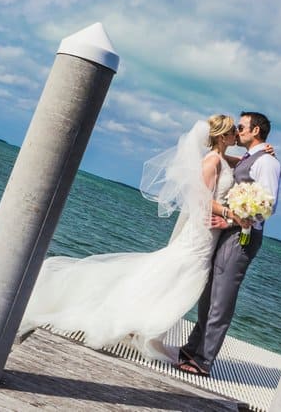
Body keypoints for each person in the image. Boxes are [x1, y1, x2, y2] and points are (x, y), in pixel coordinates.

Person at [18, 114, 246, 361]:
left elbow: (234, 161)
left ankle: (146, 327)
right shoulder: (211, 162)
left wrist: (254, 156)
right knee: (181, 277)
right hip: (201, 233)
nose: (237, 134)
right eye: (234, 131)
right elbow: (200, 199)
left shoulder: (220, 159)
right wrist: (228, 214)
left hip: (208, 235)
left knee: (171, 277)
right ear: (223, 136)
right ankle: (143, 329)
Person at [178, 111, 281, 376]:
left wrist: (232, 221)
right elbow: (228, 163)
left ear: (256, 130)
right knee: (210, 293)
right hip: (230, 230)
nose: (238, 130)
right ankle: (193, 347)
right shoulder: (250, 158)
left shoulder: (267, 163)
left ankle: (203, 360)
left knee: (221, 299)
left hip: (243, 235)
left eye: (242, 126)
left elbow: (266, 205)